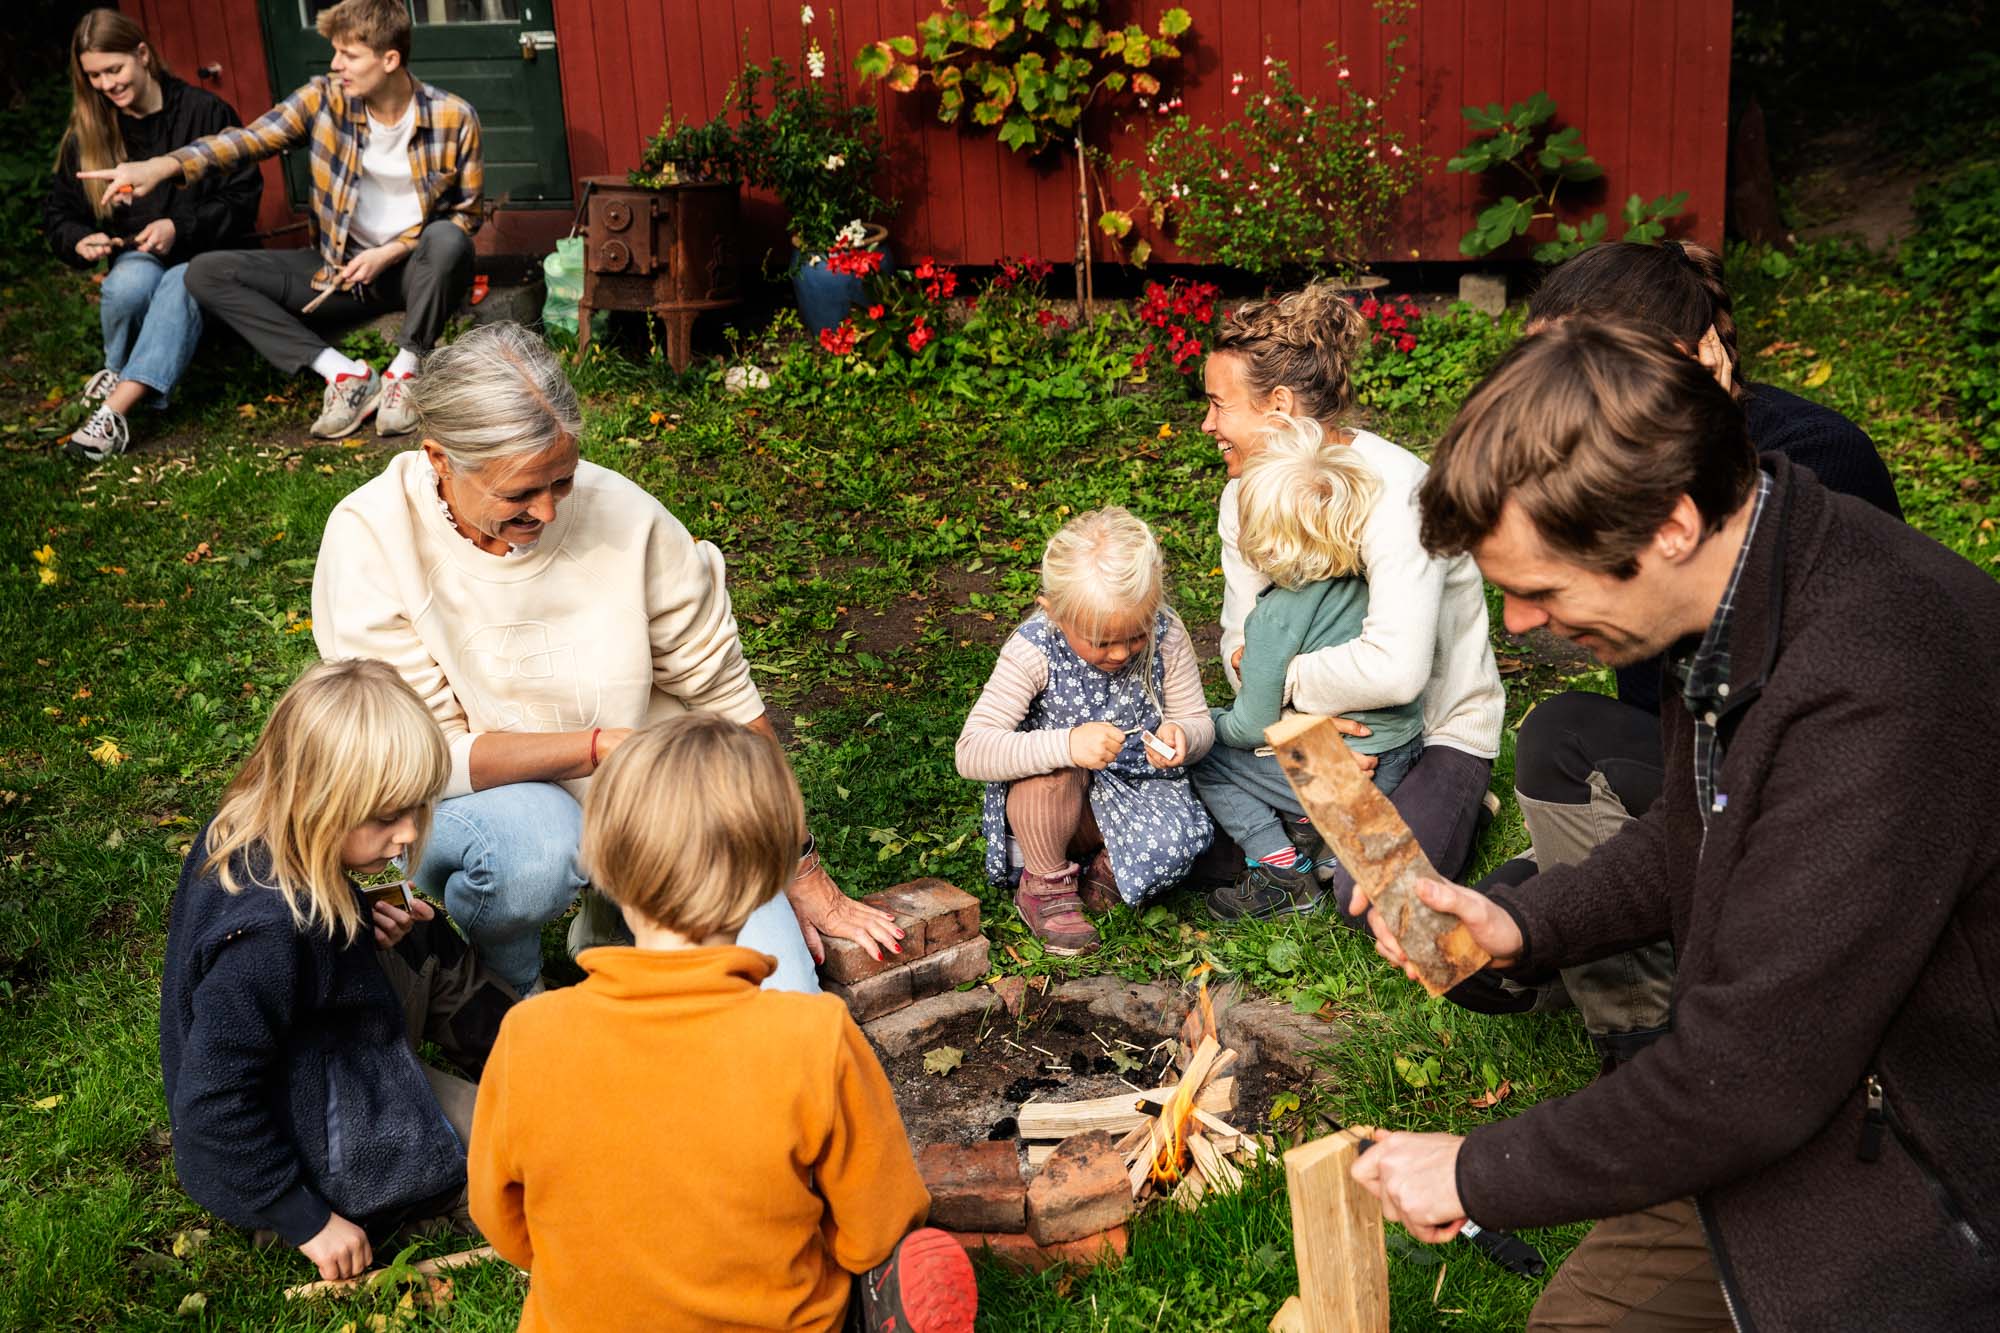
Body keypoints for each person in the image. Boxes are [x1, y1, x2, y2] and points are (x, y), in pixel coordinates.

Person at [1348, 319, 2000, 1331]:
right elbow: (1706, 825)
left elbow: (1751, 1078)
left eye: (1538, 590)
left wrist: (1474, 1171)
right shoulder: (1747, 588)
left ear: (1667, 525)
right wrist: (1527, 924)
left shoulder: (1874, 680)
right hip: (1807, 1100)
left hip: (1932, 1180)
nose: (1520, 623)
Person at [311, 322, 899, 997]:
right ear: (440, 458)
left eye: (561, 481)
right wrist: (595, 748)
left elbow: (728, 701)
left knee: (781, 999)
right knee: (530, 851)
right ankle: (507, 998)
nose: (549, 510)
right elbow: (428, 757)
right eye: (520, 495)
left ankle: (617, 922)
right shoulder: (371, 539)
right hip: (486, 807)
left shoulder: (629, 518)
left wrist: (800, 869)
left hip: (655, 798)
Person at [1470, 241, 1911, 1054]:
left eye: (1582, 370)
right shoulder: (1612, 482)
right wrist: (1540, 908)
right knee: (1516, 900)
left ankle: (1644, 1029)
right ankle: (1604, 959)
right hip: (1706, 780)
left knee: (1560, 746)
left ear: (1698, 354)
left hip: (1798, 819)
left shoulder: (1808, 477)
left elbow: (1760, 786)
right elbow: (1679, 752)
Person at [468, 713, 976, 1333]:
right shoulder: (814, 1037)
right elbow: (876, 1226)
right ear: (766, 882)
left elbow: (504, 1223)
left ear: (603, 867)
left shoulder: (530, 1036)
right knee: (881, 1266)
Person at [159, 658, 517, 1283]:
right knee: (521, 1165)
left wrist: (356, 924)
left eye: (414, 807)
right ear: (317, 801)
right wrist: (306, 1219)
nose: (408, 834)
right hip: (320, 1148)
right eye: (386, 815)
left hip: (332, 1052)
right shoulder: (266, 940)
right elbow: (210, 1107)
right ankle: (424, 1193)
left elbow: (314, 942)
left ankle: (536, 1061)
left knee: (420, 934)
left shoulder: (264, 830)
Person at [1201, 283, 1505, 921]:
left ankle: (1455, 804)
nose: (1207, 425)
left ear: (1278, 407)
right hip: (1308, 731)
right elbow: (1238, 637)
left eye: (1218, 405)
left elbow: (1397, 671)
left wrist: (1275, 686)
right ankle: (1314, 831)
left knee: (1370, 899)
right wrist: (1298, 722)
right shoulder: (1244, 498)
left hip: (1431, 729)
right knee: (1201, 846)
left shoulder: (1396, 495)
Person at [79, 0, 480, 440]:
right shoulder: (325, 99)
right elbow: (249, 140)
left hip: (412, 272)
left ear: (389, 59)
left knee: (446, 238)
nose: (335, 64)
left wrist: (392, 251)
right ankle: (345, 376)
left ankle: (405, 373)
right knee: (205, 272)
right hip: (338, 272)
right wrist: (163, 167)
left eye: (348, 55)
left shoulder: (453, 117)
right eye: (335, 52)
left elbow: (465, 216)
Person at [957, 507, 1215, 955]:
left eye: (1135, 637)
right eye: (1101, 641)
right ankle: (1047, 882)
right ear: (1054, 614)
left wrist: (1184, 737)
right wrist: (1067, 745)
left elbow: (1197, 719)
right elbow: (972, 750)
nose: (1120, 653)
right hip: (1057, 810)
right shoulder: (1034, 649)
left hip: (1139, 787)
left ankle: (1106, 873)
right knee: (1051, 777)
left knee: (1180, 839)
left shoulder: (1168, 635)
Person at [1191, 414, 1426, 894]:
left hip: (1350, 779)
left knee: (1204, 753)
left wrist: (1207, 723)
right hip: (1403, 754)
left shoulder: (1272, 621)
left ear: (1262, 536)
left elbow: (1252, 726)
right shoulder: (1366, 585)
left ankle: (1281, 869)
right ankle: (1319, 835)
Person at [43, 9, 260, 462]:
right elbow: (59, 209)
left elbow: (243, 197)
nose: (106, 84)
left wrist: (179, 226)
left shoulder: (205, 111)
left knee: (180, 282)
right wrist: (80, 238)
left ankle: (115, 411)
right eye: (94, 76)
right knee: (127, 283)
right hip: (138, 257)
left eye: (114, 69)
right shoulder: (92, 126)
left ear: (142, 54)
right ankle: (116, 369)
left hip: (209, 257)